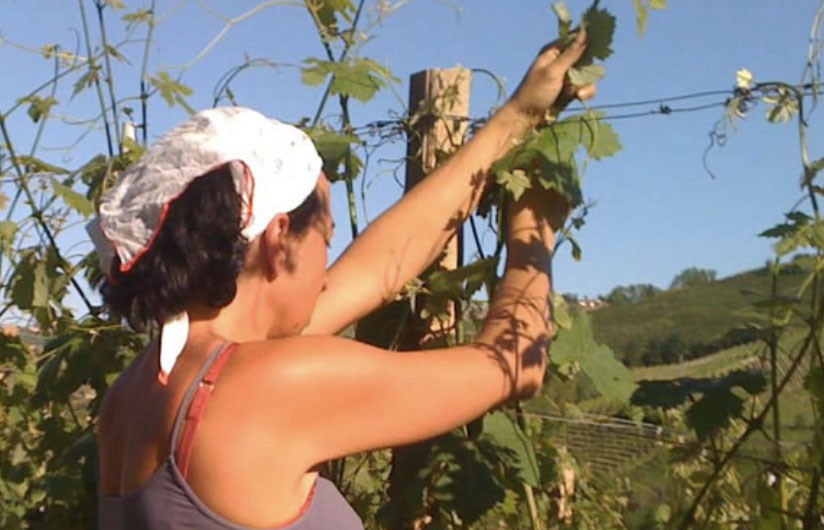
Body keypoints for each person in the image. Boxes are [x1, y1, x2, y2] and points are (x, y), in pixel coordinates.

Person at [94, 31, 593, 529]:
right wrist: (534, 226)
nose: (328, 268)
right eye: (327, 237)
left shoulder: (140, 391)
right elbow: (511, 363)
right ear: (278, 238)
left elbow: (380, 269)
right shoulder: (270, 387)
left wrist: (520, 117)